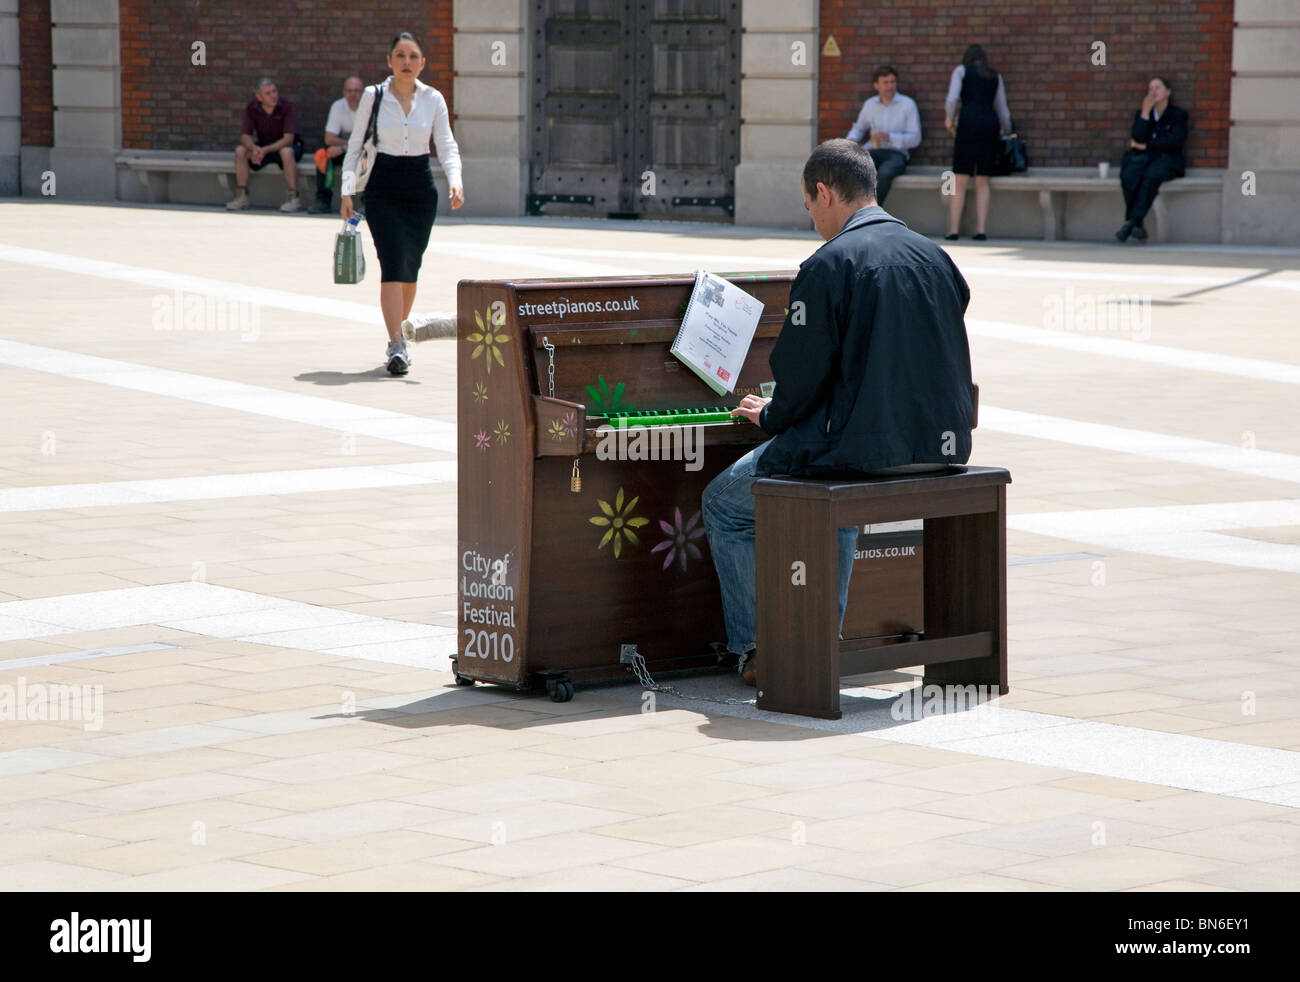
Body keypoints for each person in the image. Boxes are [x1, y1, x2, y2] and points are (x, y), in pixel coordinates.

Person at [702, 139, 975, 685]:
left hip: (860, 452)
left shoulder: (829, 264)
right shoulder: (935, 255)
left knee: (725, 503)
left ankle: (763, 648)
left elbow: (800, 380)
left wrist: (771, 415)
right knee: (834, 496)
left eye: (809, 207)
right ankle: (824, 638)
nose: (812, 221)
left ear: (823, 192)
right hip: (941, 449)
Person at [341, 33, 463, 376]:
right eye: (400, 55)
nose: (406, 62)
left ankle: (401, 335)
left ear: (422, 63)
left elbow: (447, 145)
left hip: (420, 191)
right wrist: (346, 192)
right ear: (389, 61)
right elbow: (355, 145)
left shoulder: (433, 98)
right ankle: (396, 342)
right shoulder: (373, 96)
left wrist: (456, 180)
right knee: (392, 260)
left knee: (410, 267)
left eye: (413, 56)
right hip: (383, 187)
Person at [943, 44, 1012, 240]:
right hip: (990, 124)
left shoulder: (961, 71)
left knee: (960, 178)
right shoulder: (994, 76)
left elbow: (952, 98)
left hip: (967, 122)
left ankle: (954, 229)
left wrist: (949, 118)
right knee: (983, 179)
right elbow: (1003, 108)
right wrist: (1007, 130)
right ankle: (981, 230)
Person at [1116, 77, 1188, 242]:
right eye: (1150, 89)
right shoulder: (1144, 114)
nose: (1153, 91)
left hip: (1168, 160)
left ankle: (1133, 221)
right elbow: (1137, 137)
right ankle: (1137, 223)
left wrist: (1147, 146)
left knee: (1151, 176)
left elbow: (1173, 142)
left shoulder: (1177, 115)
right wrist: (1144, 114)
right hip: (1146, 159)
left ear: (1167, 92)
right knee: (1129, 175)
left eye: (1158, 87)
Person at [845, 65, 921, 205]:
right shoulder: (870, 104)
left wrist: (890, 137)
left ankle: (872, 213)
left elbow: (916, 138)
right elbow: (859, 128)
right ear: (876, 85)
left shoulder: (907, 104)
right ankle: (852, 212)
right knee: (856, 170)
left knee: (884, 174)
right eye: (885, 82)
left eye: (893, 82)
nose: (890, 86)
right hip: (872, 150)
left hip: (897, 154)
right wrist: (850, 141)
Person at [228, 77, 304, 212]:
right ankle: (242, 197)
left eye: (274, 91)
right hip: (263, 147)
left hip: (286, 148)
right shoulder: (252, 108)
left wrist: (264, 150)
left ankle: (293, 198)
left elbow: (288, 139)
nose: (273, 96)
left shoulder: (287, 107)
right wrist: (254, 148)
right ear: (259, 97)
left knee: (286, 152)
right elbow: (245, 135)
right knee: (241, 150)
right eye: (268, 93)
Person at [310, 76, 365, 214]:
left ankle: (367, 203)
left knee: (372, 157)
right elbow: (329, 138)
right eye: (349, 90)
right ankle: (323, 200)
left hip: (363, 151)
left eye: (357, 91)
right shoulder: (337, 106)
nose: (353, 94)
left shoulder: (369, 107)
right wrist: (344, 147)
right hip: (344, 150)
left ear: (363, 92)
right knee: (323, 155)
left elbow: (371, 139)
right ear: (344, 92)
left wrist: (343, 146)